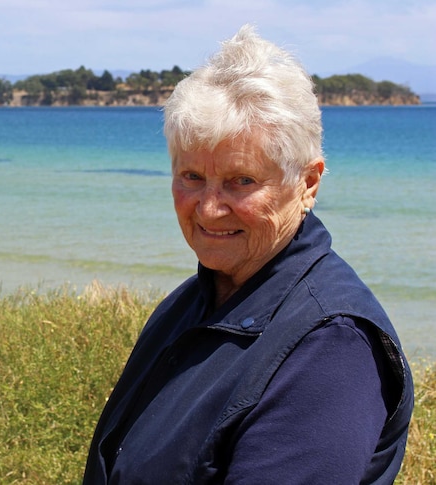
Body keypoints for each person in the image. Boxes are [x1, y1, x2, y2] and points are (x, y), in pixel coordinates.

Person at [83, 25, 414, 484]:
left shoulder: (331, 349)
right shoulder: (196, 301)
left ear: (308, 183)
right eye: (192, 176)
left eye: (242, 181)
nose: (210, 208)